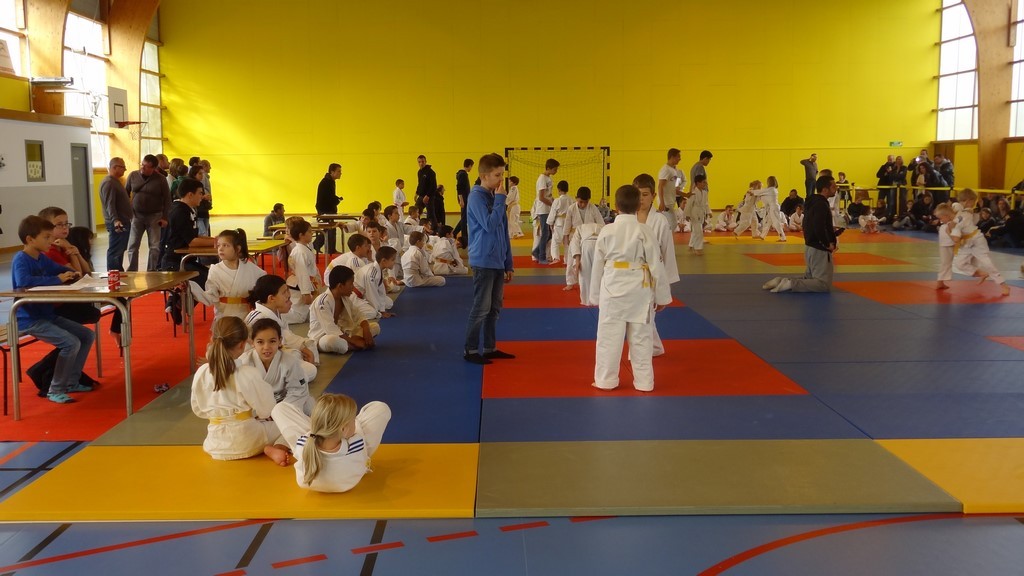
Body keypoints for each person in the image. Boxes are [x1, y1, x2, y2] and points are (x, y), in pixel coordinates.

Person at [590, 185, 672, 392]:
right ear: (638, 205)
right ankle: (644, 382)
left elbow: (597, 265)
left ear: (615, 206)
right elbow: (656, 265)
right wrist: (662, 296)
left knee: (608, 338)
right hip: (639, 289)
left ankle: (605, 380)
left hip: (612, 287)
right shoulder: (645, 230)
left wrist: (595, 296)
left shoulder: (607, 231)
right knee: (641, 339)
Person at [12, 216, 97, 404]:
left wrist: (72, 273)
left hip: (47, 315)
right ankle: (55, 389)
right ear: (30, 239)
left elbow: (58, 269)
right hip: (29, 319)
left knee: (86, 335)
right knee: (70, 343)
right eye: (46, 237)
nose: (51, 241)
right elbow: (23, 282)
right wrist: (57, 279)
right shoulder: (21, 259)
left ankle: (72, 382)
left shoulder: (42, 258)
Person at [191, 316, 289, 465]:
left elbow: (198, 410)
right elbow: (267, 410)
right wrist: (252, 415)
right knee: (290, 424)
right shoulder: (247, 373)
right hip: (248, 440)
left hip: (215, 444)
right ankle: (276, 448)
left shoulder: (202, 372)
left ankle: (271, 447)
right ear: (243, 344)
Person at [270, 393, 391, 493]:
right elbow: (358, 433)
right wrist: (354, 424)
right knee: (380, 408)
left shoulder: (305, 443)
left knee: (279, 409)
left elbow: (310, 435)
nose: (355, 421)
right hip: (349, 480)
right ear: (343, 429)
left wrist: (321, 425)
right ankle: (334, 425)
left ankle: (326, 426)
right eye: (353, 420)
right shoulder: (356, 444)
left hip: (307, 481)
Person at [464, 153, 515, 365]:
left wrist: (508, 263)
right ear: (484, 176)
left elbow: (503, 232)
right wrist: (501, 200)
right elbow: (489, 225)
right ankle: (470, 349)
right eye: (497, 175)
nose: (501, 179)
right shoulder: (476, 197)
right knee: (481, 308)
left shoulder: (494, 197)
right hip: (483, 260)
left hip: (497, 260)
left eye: (502, 174)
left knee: (494, 308)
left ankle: (489, 347)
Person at [763, 174, 838, 293]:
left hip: (810, 247)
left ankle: (782, 281)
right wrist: (827, 243)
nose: (836, 189)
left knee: (810, 279)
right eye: (833, 187)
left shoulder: (812, 202)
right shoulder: (821, 204)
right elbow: (819, 226)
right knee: (823, 284)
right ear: (825, 189)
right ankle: (790, 283)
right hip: (819, 248)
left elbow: (808, 225)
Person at [633, 174, 680, 357]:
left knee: (645, 314)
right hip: (630, 274)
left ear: (653, 196)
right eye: (637, 194)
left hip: (652, 274)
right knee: (639, 315)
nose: (641, 199)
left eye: (645, 194)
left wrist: (665, 289)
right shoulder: (628, 217)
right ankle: (655, 347)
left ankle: (646, 349)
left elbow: (667, 253)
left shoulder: (660, 220)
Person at [246, 274, 318, 381]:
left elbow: (286, 336)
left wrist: (303, 347)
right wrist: (297, 351)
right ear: (271, 298)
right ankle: (281, 381)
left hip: (274, 353)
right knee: (300, 360)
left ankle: (293, 376)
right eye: (284, 292)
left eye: (288, 290)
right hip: (259, 362)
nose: (289, 294)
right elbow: (261, 349)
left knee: (309, 345)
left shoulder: (275, 312)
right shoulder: (258, 318)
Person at [239, 317, 314, 415]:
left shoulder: (290, 362)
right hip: (257, 408)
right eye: (260, 342)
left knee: (309, 405)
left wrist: (280, 411)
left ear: (280, 341)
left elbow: (298, 390)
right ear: (252, 342)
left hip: (284, 404)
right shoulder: (244, 362)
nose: (266, 347)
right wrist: (261, 411)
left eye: (272, 341)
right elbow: (241, 395)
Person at [190, 229, 266, 322]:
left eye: (225, 245)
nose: (220, 249)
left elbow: (263, 290)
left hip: (247, 317)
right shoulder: (215, 270)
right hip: (224, 316)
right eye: (219, 245)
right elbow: (210, 297)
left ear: (238, 249)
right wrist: (190, 287)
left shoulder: (253, 270)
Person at [950, 189, 1011, 296]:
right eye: (973, 201)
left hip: (977, 240)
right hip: (966, 242)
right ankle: (982, 273)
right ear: (968, 201)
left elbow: (959, 227)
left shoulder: (966, 213)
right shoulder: (961, 213)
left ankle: (1003, 284)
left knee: (986, 262)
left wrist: (953, 231)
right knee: (959, 264)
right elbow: (959, 213)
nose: (974, 204)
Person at [309, 265, 379, 354]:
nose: (353, 287)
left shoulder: (344, 298)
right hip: (323, 337)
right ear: (340, 286)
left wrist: (366, 329)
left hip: (343, 333)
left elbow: (358, 315)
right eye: (351, 284)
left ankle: (353, 344)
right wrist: (353, 341)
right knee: (333, 341)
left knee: (375, 327)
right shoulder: (322, 302)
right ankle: (355, 344)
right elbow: (330, 328)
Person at [158, 177, 215, 281]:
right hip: (175, 263)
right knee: (210, 279)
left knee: (211, 275)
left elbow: (194, 235)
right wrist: (217, 242)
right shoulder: (180, 212)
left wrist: (215, 240)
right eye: (200, 193)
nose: (202, 196)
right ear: (190, 195)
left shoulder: (187, 209)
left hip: (185, 260)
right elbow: (192, 242)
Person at [125, 154, 172, 272]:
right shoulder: (133, 175)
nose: (143, 168)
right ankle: (132, 270)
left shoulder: (161, 179)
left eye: (146, 166)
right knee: (132, 245)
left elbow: (167, 199)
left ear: (154, 168)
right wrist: (128, 212)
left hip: (155, 216)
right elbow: (125, 193)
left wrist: (165, 217)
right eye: (142, 164)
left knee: (154, 246)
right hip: (136, 215)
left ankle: (151, 270)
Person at [283, 219, 322, 324]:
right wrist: (306, 293)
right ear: (301, 235)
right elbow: (302, 274)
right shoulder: (300, 251)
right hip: (300, 286)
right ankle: (272, 316)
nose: (312, 233)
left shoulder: (303, 248)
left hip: (306, 283)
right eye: (309, 231)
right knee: (299, 316)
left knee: (309, 312)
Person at [100, 157, 132, 272]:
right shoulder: (109, 183)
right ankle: (114, 273)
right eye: (123, 167)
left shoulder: (115, 181)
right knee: (115, 250)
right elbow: (110, 204)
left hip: (123, 221)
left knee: (120, 249)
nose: (125, 169)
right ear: (114, 167)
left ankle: (118, 272)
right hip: (118, 223)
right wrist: (115, 220)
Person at [356, 246, 398, 319]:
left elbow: (381, 291)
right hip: (355, 297)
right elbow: (371, 295)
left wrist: (382, 309)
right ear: (384, 261)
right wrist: (380, 313)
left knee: (389, 303)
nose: (394, 262)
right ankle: (350, 312)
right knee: (372, 313)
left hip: (365, 294)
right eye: (393, 260)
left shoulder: (378, 269)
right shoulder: (372, 273)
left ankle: (371, 307)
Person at [531, 158, 560, 264]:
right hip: (543, 209)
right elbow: (541, 197)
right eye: (555, 169)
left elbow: (548, 195)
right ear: (548, 168)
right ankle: (541, 256)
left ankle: (536, 251)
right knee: (545, 233)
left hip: (548, 208)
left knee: (550, 234)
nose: (556, 171)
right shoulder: (542, 179)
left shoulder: (548, 178)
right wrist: (553, 205)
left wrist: (554, 202)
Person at [314, 163, 343, 255]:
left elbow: (329, 196)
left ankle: (323, 247)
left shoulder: (329, 181)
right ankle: (328, 249)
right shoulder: (327, 182)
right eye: (338, 171)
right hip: (325, 210)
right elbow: (329, 198)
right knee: (330, 229)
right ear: (332, 172)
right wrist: (337, 200)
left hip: (325, 209)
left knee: (329, 229)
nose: (340, 173)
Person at [658, 148, 686, 234]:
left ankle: (665, 240)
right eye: (678, 156)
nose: (680, 159)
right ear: (672, 157)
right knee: (672, 224)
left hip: (670, 201)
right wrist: (662, 202)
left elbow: (672, 189)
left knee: (671, 225)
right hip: (665, 203)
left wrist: (685, 194)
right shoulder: (666, 169)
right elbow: (660, 186)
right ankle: (662, 240)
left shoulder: (673, 170)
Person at [547, 180, 572, 264]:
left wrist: (550, 223)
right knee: (567, 242)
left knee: (555, 241)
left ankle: (556, 257)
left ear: (559, 189)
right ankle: (567, 260)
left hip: (559, 223)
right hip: (568, 222)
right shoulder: (571, 200)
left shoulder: (557, 200)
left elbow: (553, 212)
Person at [684, 174, 711, 254]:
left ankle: (691, 245)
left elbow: (706, 203)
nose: (705, 184)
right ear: (698, 183)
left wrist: (709, 212)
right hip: (694, 213)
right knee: (699, 231)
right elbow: (689, 204)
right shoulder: (693, 193)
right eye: (703, 182)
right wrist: (687, 214)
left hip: (701, 212)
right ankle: (697, 248)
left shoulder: (705, 193)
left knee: (696, 231)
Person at [934, 203, 956, 290]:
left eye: (941, 218)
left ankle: (941, 282)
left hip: (948, 245)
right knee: (945, 263)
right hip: (946, 246)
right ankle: (940, 282)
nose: (940, 220)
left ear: (947, 216)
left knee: (947, 263)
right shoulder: (946, 225)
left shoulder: (951, 224)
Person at [454, 158, 474, 247]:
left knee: (464, 217)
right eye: (471, 166)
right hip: (464, 199)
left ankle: (455, 232)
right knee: (464, 218)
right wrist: (461, 200)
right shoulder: (463, 175)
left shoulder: (462, 174)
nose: (471, 168)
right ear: (469, 165)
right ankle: (464, 236)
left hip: (465, 199)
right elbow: (460, 188)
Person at [416, 155, 439, 229]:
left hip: (429, 196)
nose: (421, 163)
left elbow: (434, 186)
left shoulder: (431, 172)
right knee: (416, 210)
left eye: (423, 162)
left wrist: (428, 195)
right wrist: (416, 193)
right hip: (421, 196)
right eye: (419, 162)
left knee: (430, 214)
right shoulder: (419, 172)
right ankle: (418, 228)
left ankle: (434, 230)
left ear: (425, 162)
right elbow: (420, 184)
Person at [196, 159, 214, 237]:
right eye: (209, 166)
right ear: (204, 166)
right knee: (203, 231)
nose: (210, 168)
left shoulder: (205, 177)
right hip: (201, 206)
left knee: (205, 228)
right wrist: (205, 196)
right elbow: (202, 190)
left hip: (204, 206)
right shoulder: (203, 178)